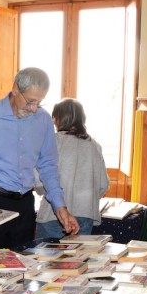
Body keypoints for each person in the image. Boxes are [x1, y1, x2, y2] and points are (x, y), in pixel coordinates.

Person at [0, 67, 80, 251]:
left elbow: (48, 166)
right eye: (30, 101)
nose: (34, 108)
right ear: (15, 89)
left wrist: (60, 206)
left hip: (25, 205)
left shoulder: (43, 120)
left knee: (22, 270)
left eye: (39, 102)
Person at [36, 98, 109, 238]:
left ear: (57, 118)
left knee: (44, 258)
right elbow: (103, 185)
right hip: (86, 214)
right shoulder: (94, 145)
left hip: (53, 215)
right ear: (82, 118)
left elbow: (39, 182)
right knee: (77, 259)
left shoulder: (52, 142)